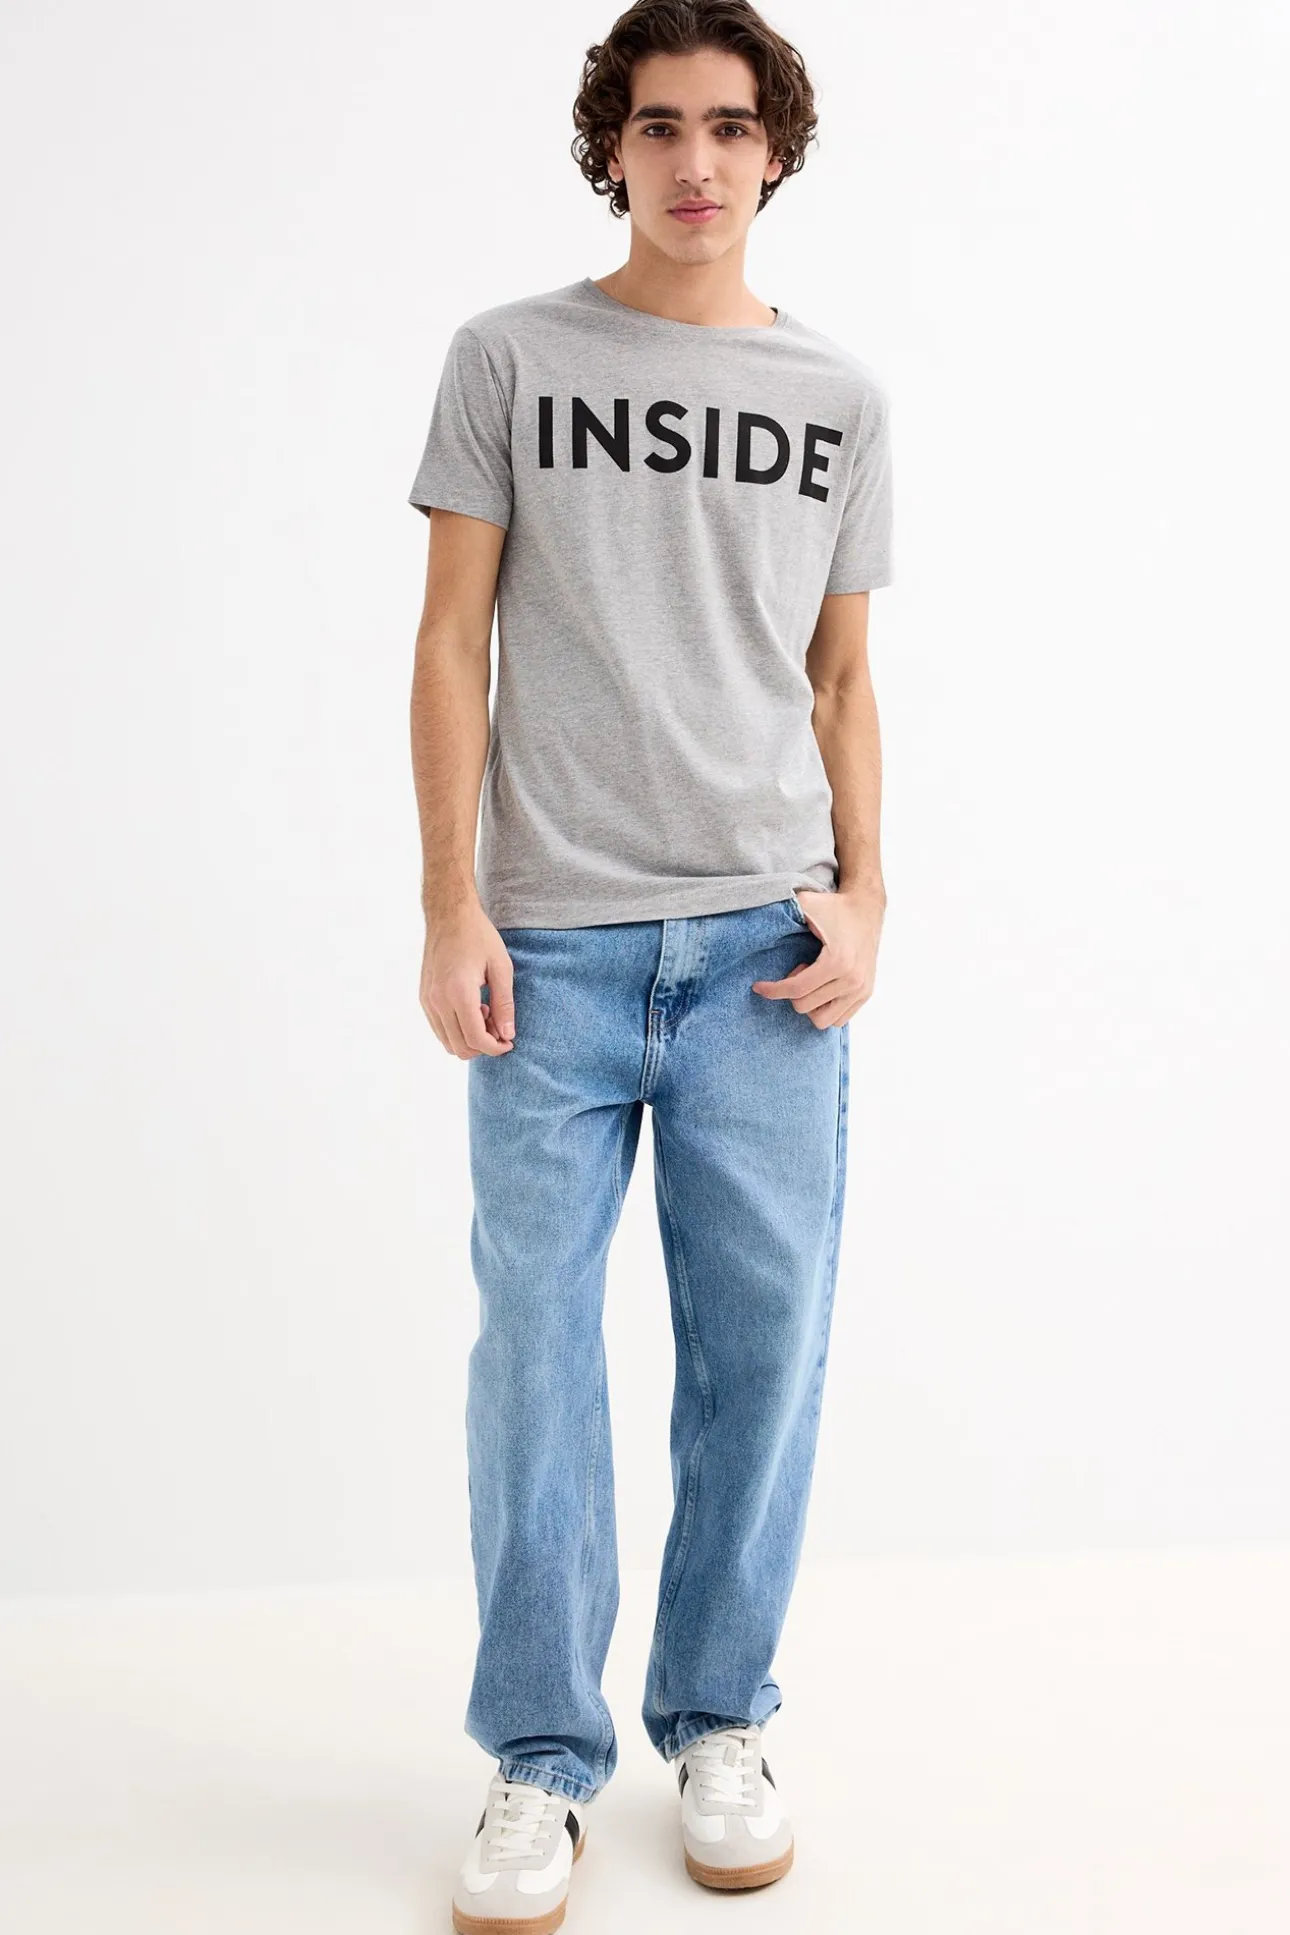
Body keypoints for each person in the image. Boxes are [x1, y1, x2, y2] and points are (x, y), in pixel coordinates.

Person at [407, 2, 893, 1926]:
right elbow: (449, 641)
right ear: (610, 144)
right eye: (661, 124)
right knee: (532, 1359)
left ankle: (718, 1717)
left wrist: (870, 894)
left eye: (732, 126)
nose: (697, 160)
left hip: (770, 951)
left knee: (758, 1356)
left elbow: (841, 679)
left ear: (777, 150)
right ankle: (540, 1757)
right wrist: (449, 902)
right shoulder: (508, 357)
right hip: (550, 950)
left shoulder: (839, 396)